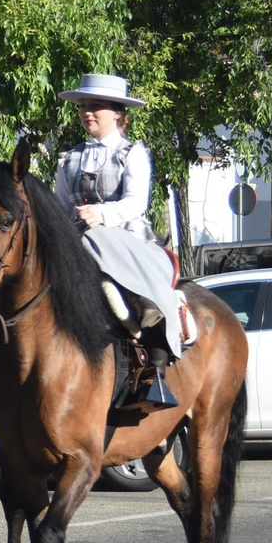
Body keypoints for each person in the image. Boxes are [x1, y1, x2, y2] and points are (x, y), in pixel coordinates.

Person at [54, 72, 180, 409]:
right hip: (79, 239)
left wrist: (101, 215)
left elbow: (135, 203)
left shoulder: (132, 152)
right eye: (83, 107)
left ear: (118, 113)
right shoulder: (68, 158)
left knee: (99, 252)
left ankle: (150, 336)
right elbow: (61, 206)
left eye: (95, 106)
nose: (87, 113)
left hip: (126, 239)